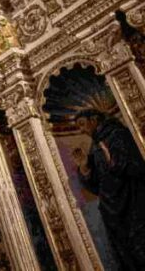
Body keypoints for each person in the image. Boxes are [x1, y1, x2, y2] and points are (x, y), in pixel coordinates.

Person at [72, 109, 145, 269]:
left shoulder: (118, 134)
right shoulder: (96, 144)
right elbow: (98, 185)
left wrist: (113, 161)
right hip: (111, 209)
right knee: (126, 253)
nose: (81, 130)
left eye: (83, 124)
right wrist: (85, 168)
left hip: (132, 201)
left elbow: (136, 166)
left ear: (94, 119)